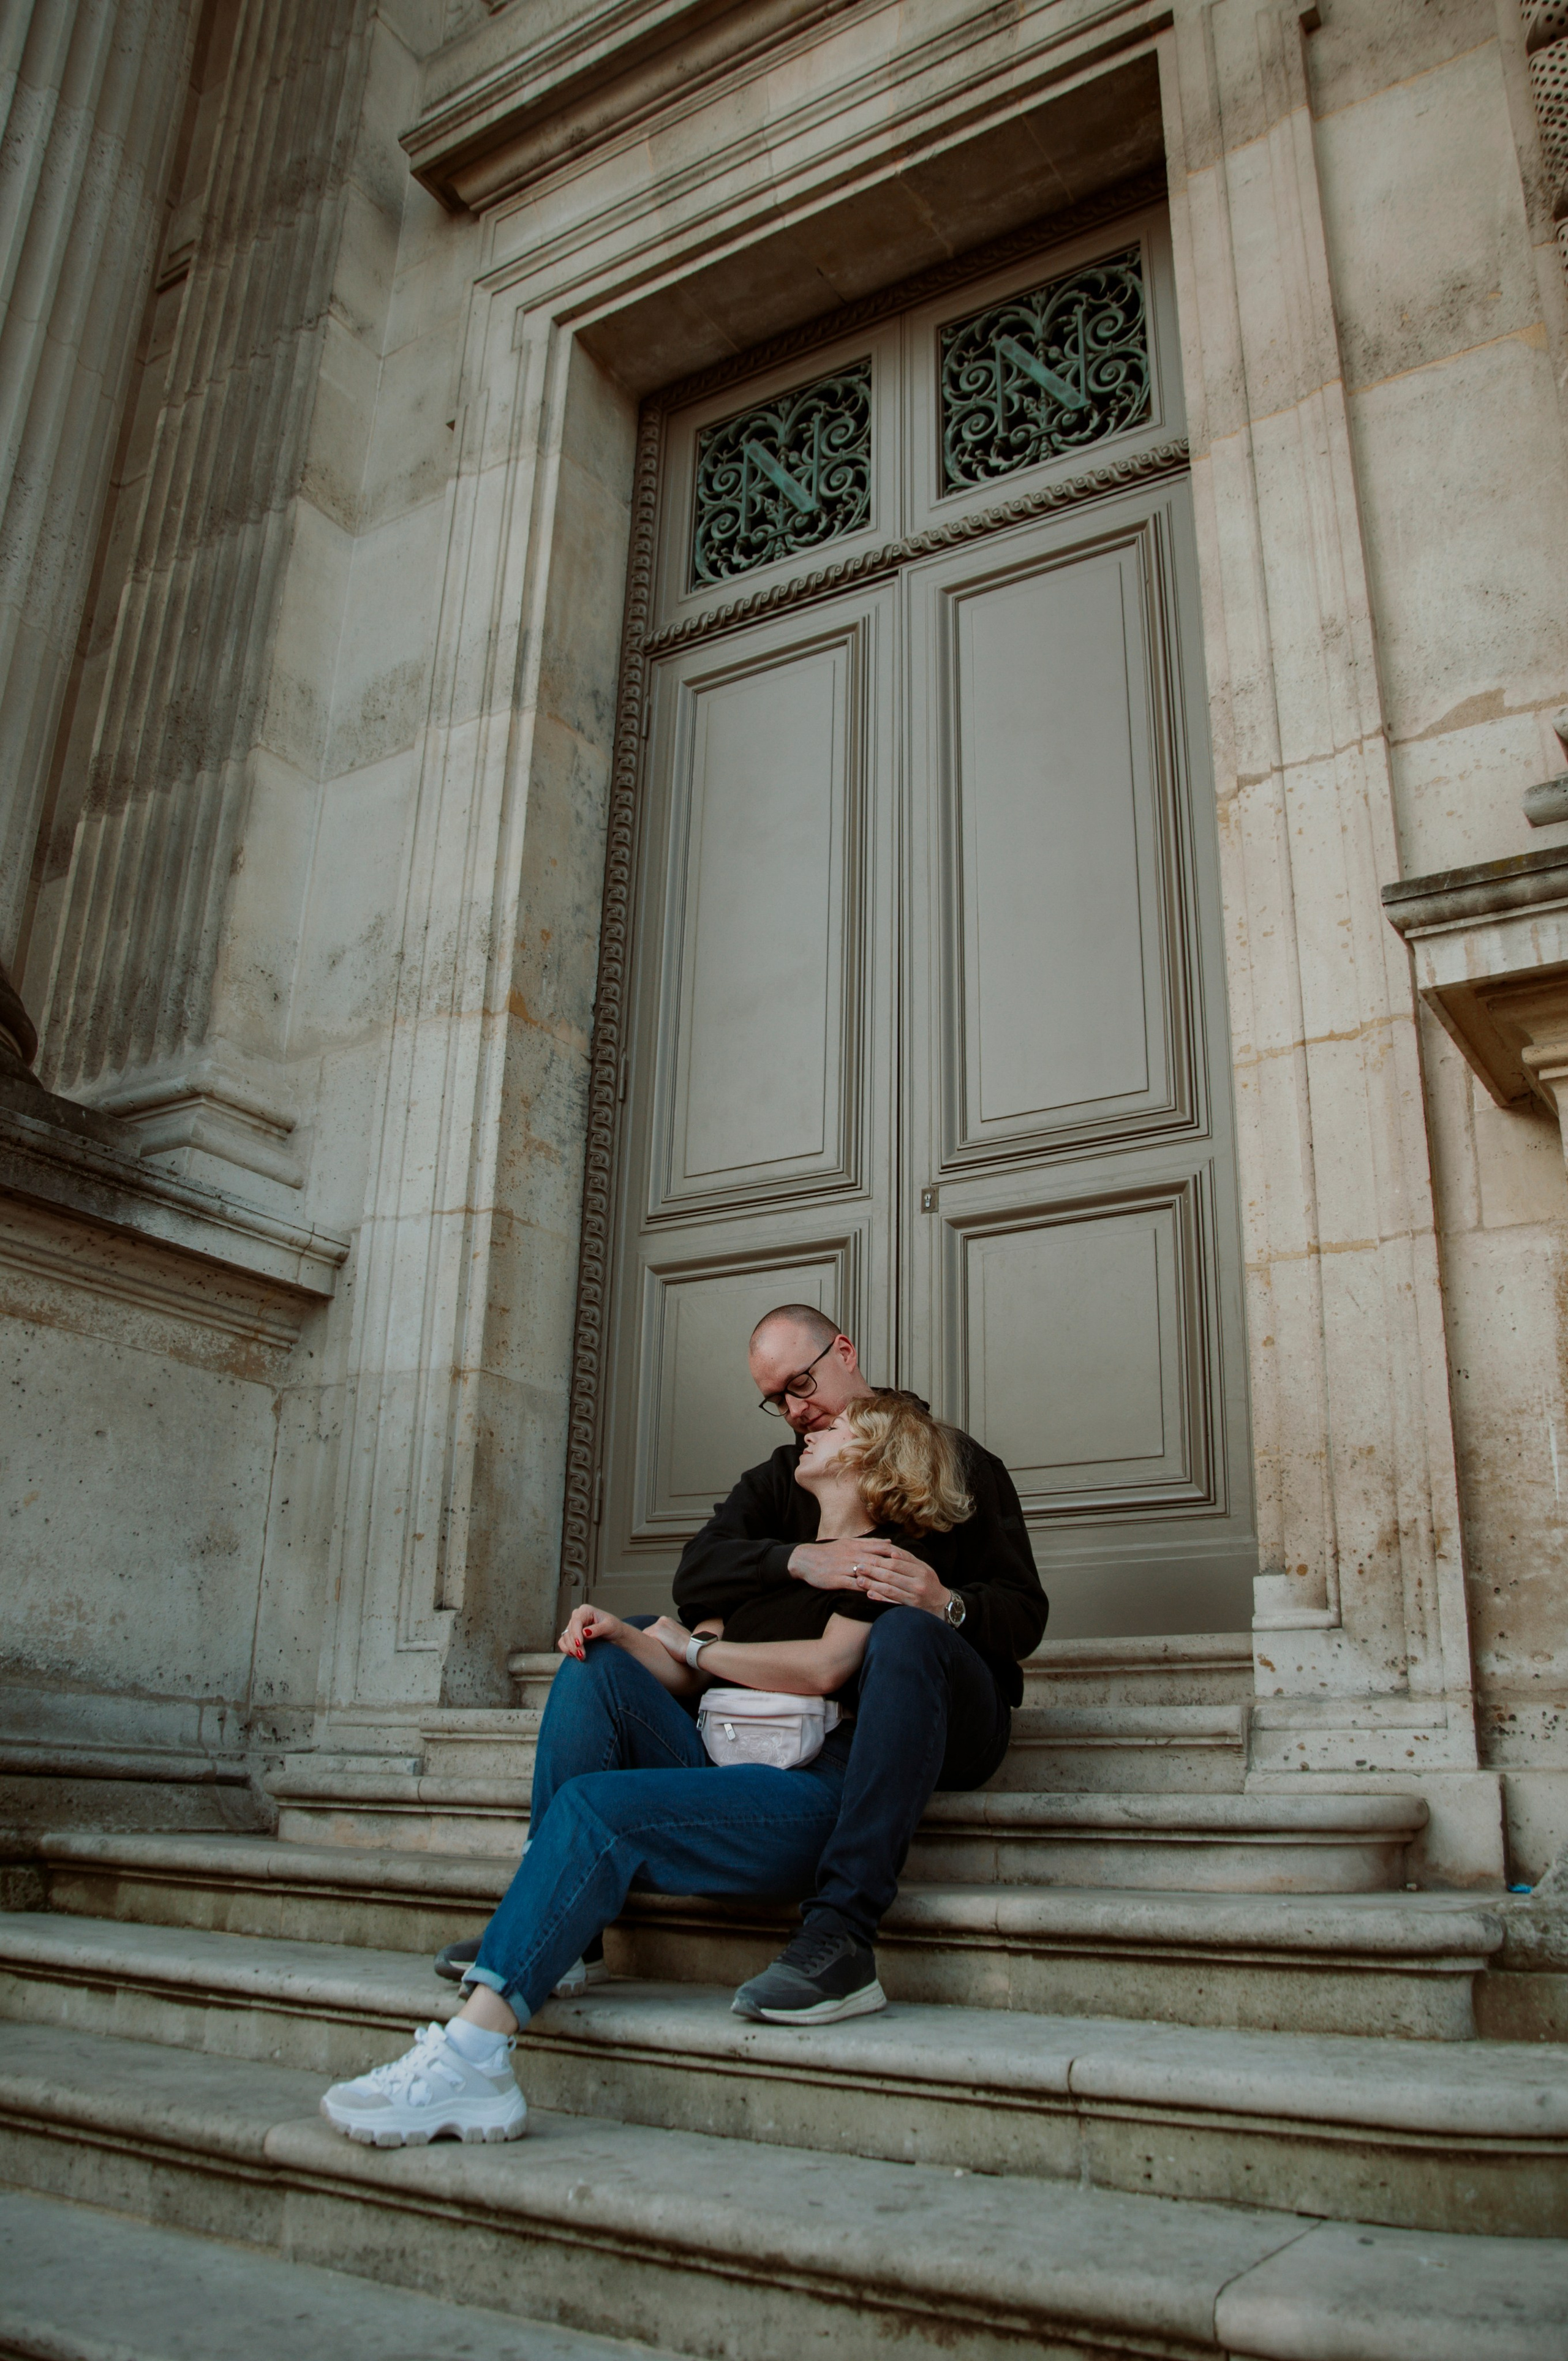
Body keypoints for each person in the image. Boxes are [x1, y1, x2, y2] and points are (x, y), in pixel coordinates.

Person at [318, 1317, 1045, 2147]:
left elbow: (971, 1630)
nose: (796, 1413)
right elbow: (697, 1573)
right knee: (605, 1646)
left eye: (802, 1388)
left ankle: (841, 1933)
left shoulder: (945, 1475)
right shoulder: (784, 1484)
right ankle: (557, 1924)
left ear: (843, 1352)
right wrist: (782, 1570)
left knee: (912, 1634)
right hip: (750, 1744)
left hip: (884, 1739)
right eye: (775, 1401)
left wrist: (941, 1602)